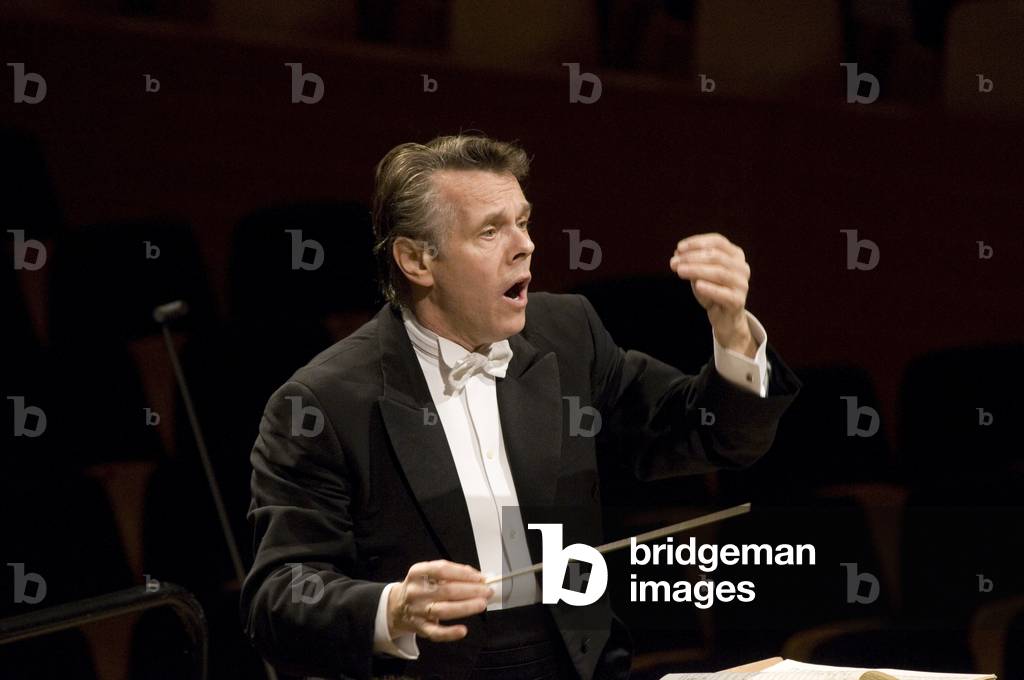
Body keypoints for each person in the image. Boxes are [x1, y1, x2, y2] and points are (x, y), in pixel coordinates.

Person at [240, 134, 802, 680]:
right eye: (490, 231)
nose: (525, 244)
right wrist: (393, 607)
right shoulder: (323, 402)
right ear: (416, 260)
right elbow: (279, 595)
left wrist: (732, 332)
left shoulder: (568, 334)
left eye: (523, 221)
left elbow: (711, 435)